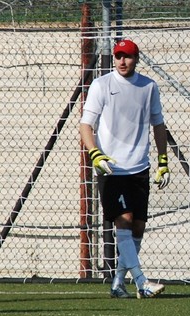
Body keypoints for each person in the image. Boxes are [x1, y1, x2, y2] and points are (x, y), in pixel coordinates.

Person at [79, 39, 169, 299]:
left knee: (138, 227)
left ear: (136, 59)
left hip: (139, 168)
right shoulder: (102, 85)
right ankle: (142, 282)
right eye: (118, 56)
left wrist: (163, 161)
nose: (121, 61)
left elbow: (158, 125)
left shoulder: (148, 86)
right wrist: (95, 153)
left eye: (127, 56)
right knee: (124, 221)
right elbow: (86, 125)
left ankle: (118, 283)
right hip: (111, 169)